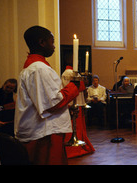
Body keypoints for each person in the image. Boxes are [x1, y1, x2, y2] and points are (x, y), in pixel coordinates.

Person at [15, 25, 85, 165]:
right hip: (44, 134)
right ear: (42, 42)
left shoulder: (34, 67)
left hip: (44, 130)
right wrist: (75, 86)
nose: (54, 46)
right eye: (51, 42)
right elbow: (53, 103)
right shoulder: (39, 69)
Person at [61, 64, 95, 158]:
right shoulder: (69, 73)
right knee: (76, 126)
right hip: (74, 103)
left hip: (75, 102)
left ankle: (78, 141)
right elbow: (70, 88)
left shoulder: (68, 73)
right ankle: (73, 148)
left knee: (78, 126)